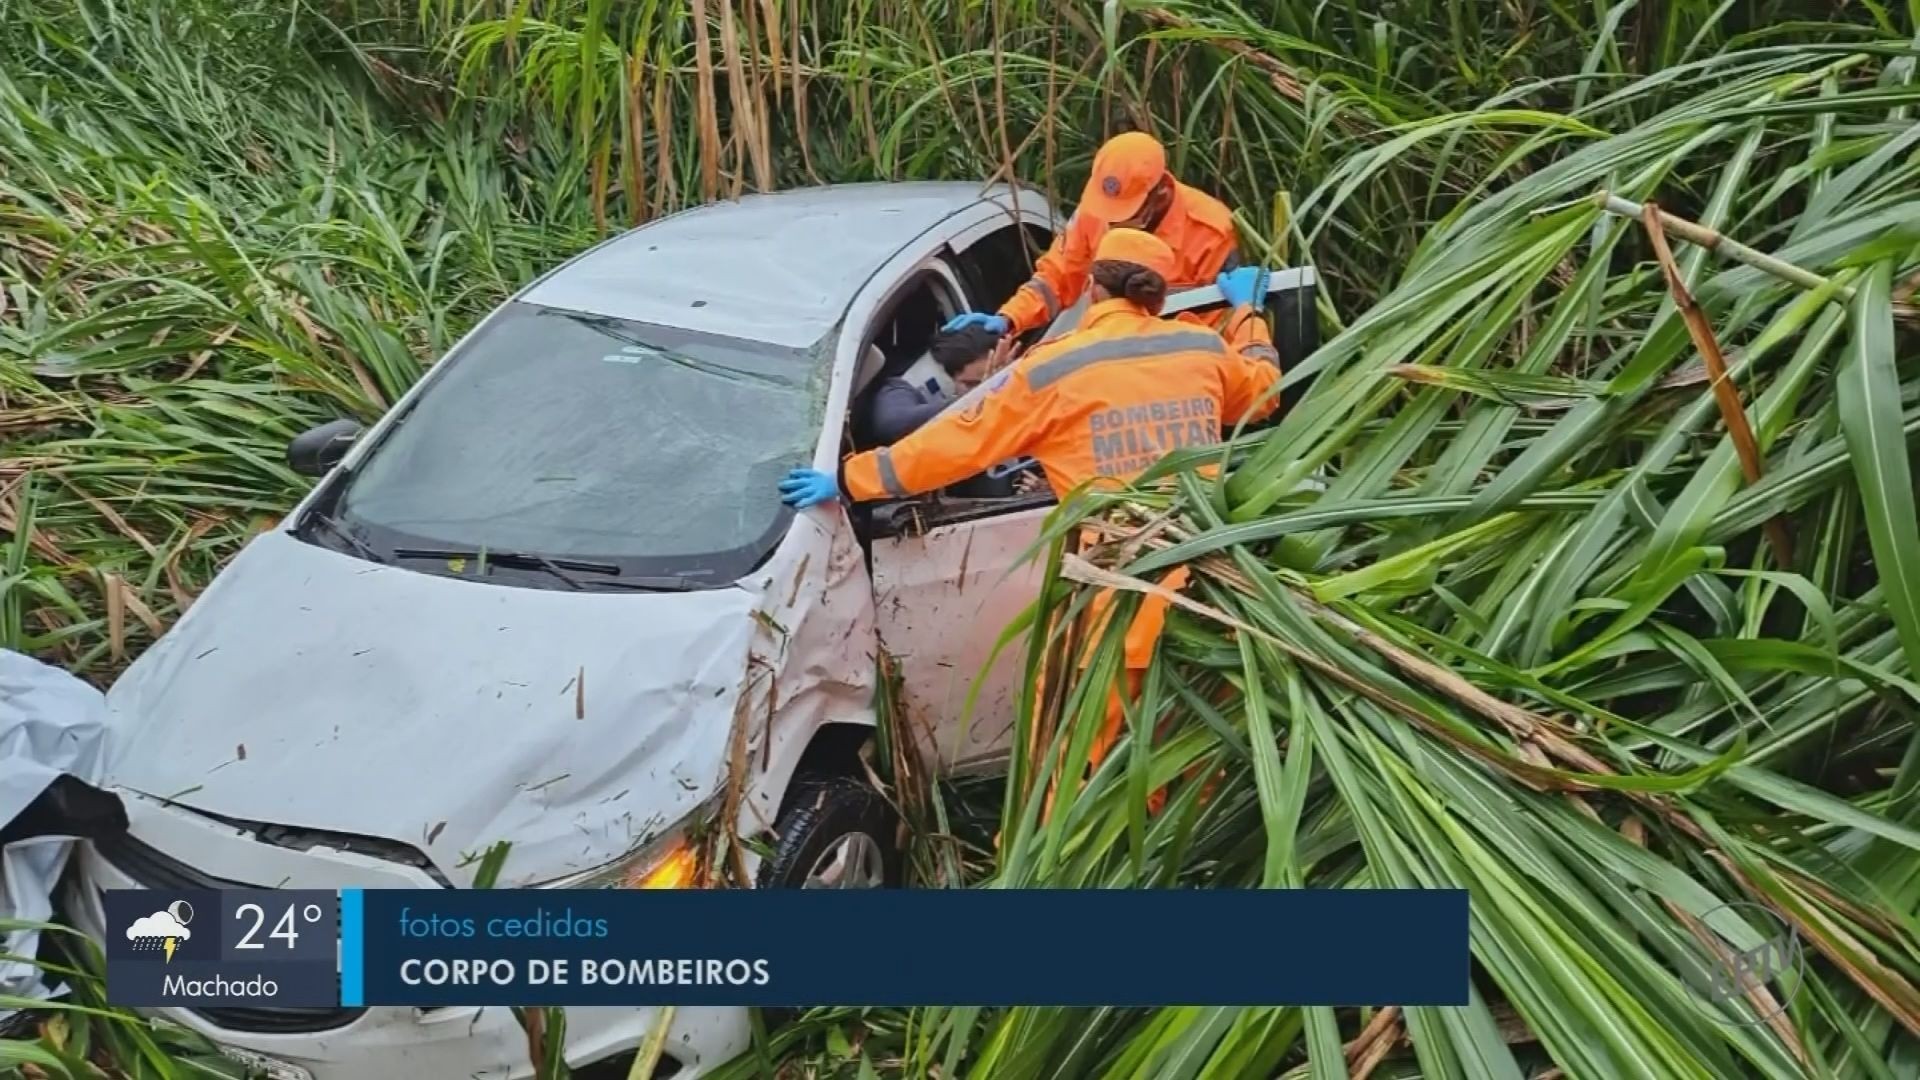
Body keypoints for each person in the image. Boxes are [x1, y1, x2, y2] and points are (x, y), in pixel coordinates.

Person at [779, 229, 1280, 810]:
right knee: (1188, 738)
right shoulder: (1200, 352)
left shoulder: (1052, 370)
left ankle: (1062, 859)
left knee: (1074, 749)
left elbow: (955, 444)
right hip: (1207, 584)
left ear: (1092, 288)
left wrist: (848, 479)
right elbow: (1264, 393)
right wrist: (1248, 313)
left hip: (1111, 594)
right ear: (1159, 297)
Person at [944, 131, 1254, 338]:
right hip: (1105, 349)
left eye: (1125, 214)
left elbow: (1214, 328)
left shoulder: (1211, 230)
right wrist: (1009, 319)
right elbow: (1057, 279)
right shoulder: (1095, 211)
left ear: (1160, 193)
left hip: (1171, 365)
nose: (1112, 224)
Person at [860, 324, 1003, 446]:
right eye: (972, 384)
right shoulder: (899, 388)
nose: (990, 391)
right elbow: (891, 422)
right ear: (943, 379)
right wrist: (975, 398)